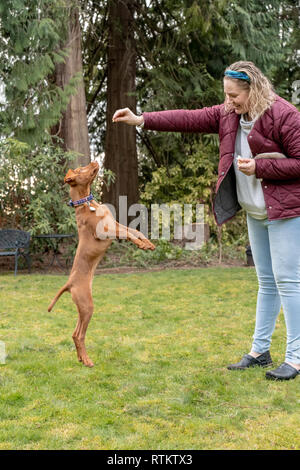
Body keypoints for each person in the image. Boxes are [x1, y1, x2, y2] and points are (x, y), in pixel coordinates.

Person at [112, 61, 300, 381]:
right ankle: (259, 350)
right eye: (225, 95)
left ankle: (296, 358)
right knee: (267, 282)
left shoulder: (284, 115)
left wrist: (261, 169)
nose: (229, 101)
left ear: (252, 89)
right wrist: (141, 119)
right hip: (255, 211)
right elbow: (189, 118)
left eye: (234, 95)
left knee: (288, 281)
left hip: (285, 212)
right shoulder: (229, 114)